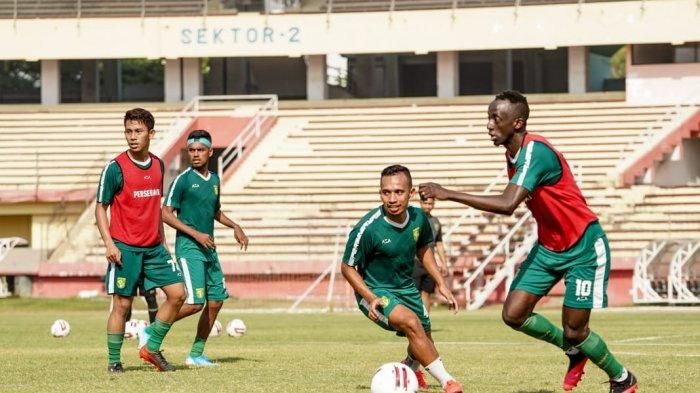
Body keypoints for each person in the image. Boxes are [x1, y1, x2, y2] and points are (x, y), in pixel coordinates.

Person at [419, 91, 637, 393]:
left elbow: (509, 204)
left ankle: (622, 378)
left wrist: (449, 193)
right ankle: (574, 352)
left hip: (583, 247)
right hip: (549, 247)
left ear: (518, 122)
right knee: (514, 314)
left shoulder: (537, 152)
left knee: (575, 330)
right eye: (488, 116)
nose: (489, 124)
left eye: (496, 118)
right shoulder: (512, 153)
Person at [341, 165, 463, 393]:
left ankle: (408, 367)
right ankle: (448, 382)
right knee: (411, 323)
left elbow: (424, 249)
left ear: (411, 192)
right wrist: (370, 296)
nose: (392, 198)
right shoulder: (367, 228)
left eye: (398, 192)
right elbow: (347, 267)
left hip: (405, 287)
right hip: (375, 291)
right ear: (380, 194)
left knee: (424, 335)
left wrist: (441, 282)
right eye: (386, 192)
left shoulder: (418, 218)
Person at [96, 108, 186, 373]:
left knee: (178, 294)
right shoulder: (115, 168)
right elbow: (100, 207)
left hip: (155, 248)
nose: (132, 137)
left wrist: (165, 242)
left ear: (151, 133)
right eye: (128, 131)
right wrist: (109, 244)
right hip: (125, 248)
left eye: (138, 131)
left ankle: (151, 347)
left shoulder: (158, 165)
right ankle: (114, 361)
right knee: (122, 305)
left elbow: (155, 207)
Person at [161, 129, 249, 367]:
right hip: (189, 247)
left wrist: (235, 225)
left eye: (200, 150)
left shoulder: (215, 180)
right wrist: (196, 234)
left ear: (210, 152)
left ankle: (196, 354)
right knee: (194, 303)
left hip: (209, 248)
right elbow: (166, 214)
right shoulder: (183, 179)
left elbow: (214, 211)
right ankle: (152, 332)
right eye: (191, 150)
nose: (196, 154)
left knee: (216, 301)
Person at [413, 195, 449, 314]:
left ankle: (425, 322)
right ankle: (411, 322)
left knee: (426, 293)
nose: (428, 206)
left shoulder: (436, 222)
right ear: (420, 203)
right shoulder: (413, 219)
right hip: (415, 262)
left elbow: (439, 243)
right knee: (413, 294)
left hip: (430, 264)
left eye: (431, 204)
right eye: (426, 203)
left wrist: (444, 263)